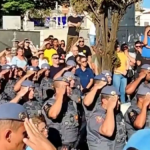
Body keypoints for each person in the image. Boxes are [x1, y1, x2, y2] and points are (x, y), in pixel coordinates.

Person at [42, 77, 79, 149]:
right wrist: (60, 95)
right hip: (59, 144)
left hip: (74, 143)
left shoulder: (71, 102)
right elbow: (53, 114)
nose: (69, 88)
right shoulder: (49, 103)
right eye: (66, 86)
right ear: (58, 88)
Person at [87, 86, 126, 150]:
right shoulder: (96, 116)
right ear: (104, 101)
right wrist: (110, 108)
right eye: (115, 100)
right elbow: (108, 132)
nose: (119, 102)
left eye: (119, 100)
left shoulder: (117, 114)